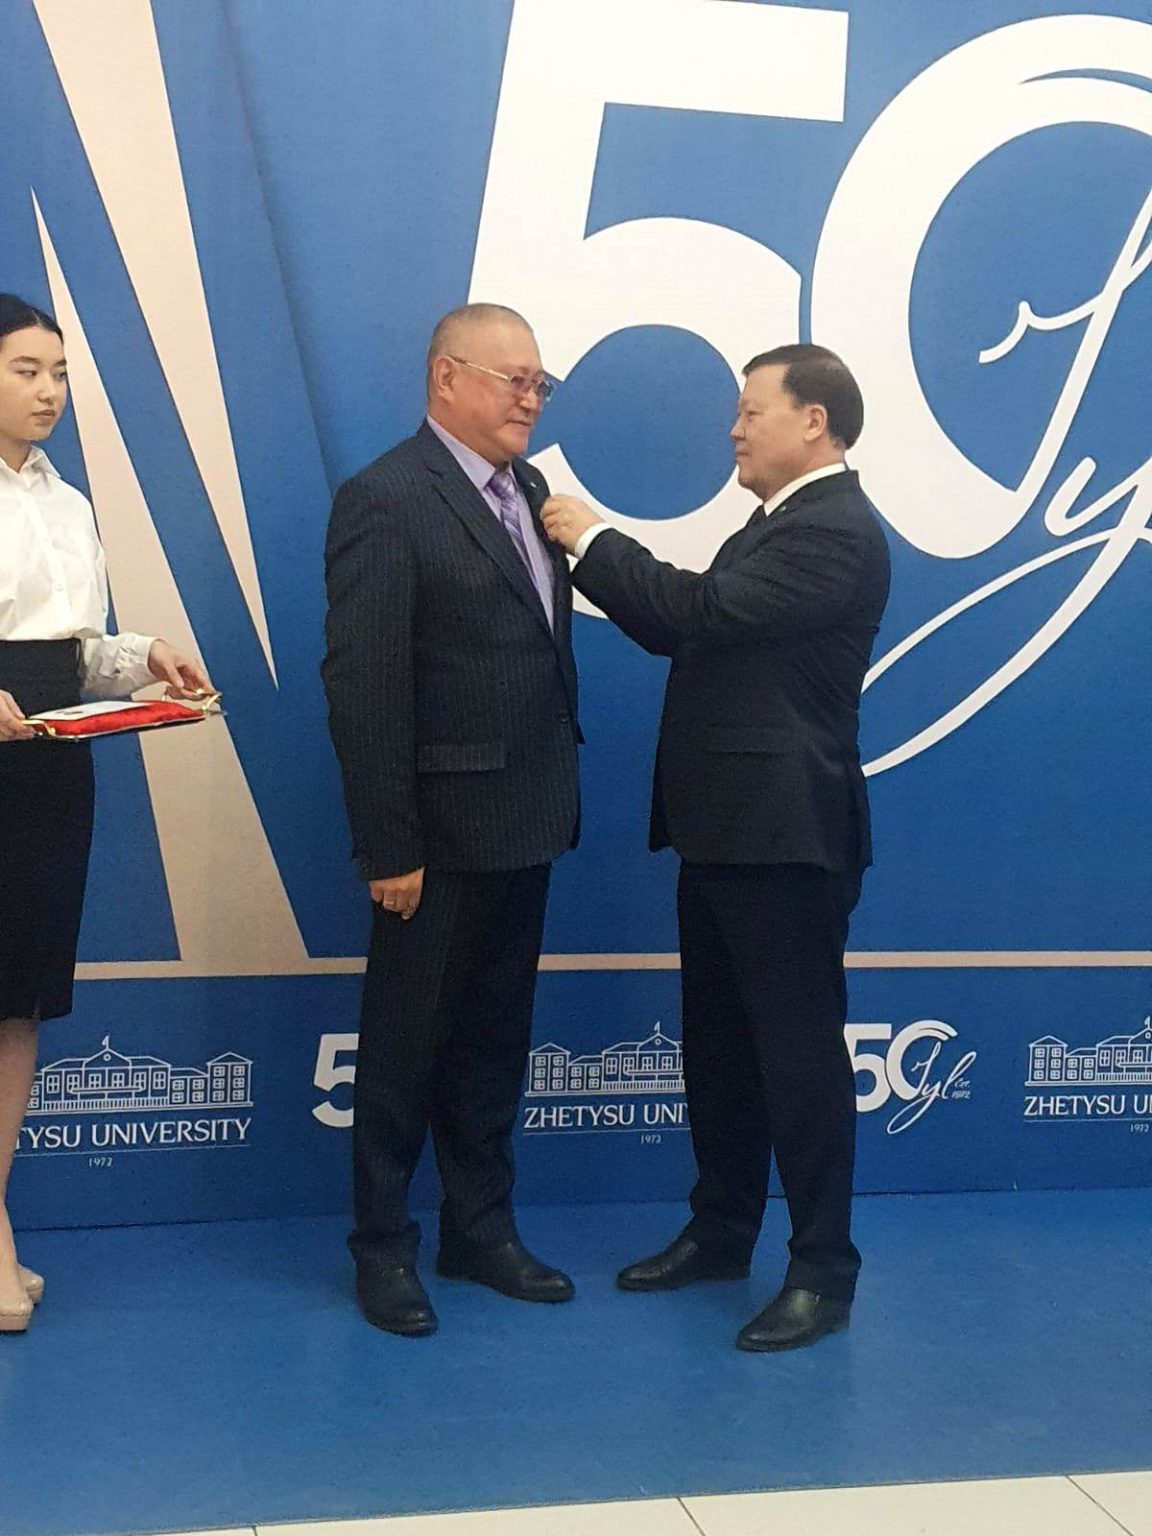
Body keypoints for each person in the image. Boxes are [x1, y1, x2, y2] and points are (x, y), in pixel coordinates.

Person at [541, 344, 891, 1352]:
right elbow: (687, 627)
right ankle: (722, 1232)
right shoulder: (776, 523)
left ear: (813, 422)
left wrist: (589, 537)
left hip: (788, 838)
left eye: (751, 411)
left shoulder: (836, 531)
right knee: (723, 1051)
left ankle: (822, 1269)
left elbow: (695, 613)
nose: (734, 430)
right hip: (729, 831)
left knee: (798, 1060)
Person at [322, 303, 581, 1337]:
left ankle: (480, 1230)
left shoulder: (534, 492)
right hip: (431, 841)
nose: (531, 399)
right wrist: (390, 844)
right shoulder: (387, 498)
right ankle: (382, 1246)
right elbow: (364, 685)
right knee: (402, 1051)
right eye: (514, 379)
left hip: (529, 820)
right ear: (446, 378)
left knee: (493, 1044)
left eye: (540, 383)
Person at [0, 293, 211, 1334]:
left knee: (19, 1001)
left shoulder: (69, 501)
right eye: (26, 370)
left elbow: (77, 652)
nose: (50, 392)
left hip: (46, 769)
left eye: (60, 373)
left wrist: (145, 657)